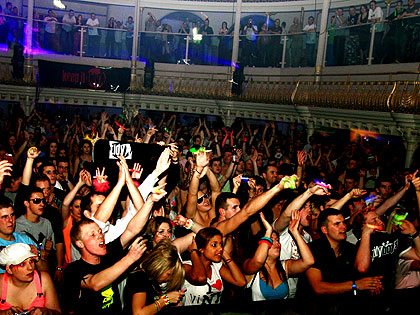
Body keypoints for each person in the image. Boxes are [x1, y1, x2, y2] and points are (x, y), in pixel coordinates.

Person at [62, 218, 147, 314]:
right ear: (80, 243)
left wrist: (150, 202)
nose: (100, 236)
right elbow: (94, 283)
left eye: (100, 232)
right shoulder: (73, 270)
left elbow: (132, 230)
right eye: (93, 235)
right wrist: (129, 258)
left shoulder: (108, 254)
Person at [297, 208, 383, 299]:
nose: (343, 227)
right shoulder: (313, 249)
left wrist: (372, 285)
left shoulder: (349, 248)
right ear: (324, 230)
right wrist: (355, 285)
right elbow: (318, 287)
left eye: (343, 222)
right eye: (337, 224)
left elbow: (362, 269)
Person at [243, 211, 314, 301]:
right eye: (271, 240)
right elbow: (258, 261)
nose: (277, 243)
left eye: (277, 240)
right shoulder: (250, 266)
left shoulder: (284, 266)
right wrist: (268, 232)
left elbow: (309, 261)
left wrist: (295, 232)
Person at [182, 227, 246, 305]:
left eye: (221, 244)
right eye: (214, 245)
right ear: (201, 249)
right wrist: (193, 252)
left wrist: (225, 254)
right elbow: (200, 278)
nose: (220, 248)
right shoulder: (186, 266)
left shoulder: (217, 266)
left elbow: (241, 282)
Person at [124, 239, 185, 314]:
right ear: (159, 267)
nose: (168, 279)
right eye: (168, 274)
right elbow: (138, 313)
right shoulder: (139, 277)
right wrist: (165, 300)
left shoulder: (153, 280)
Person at [0, 243, 61, 314]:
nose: (30, 268)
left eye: (31, 261)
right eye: (22, 264)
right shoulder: (1, 283)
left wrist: (47, 312)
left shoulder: (43, 280)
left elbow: (57, 312)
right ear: (9, 269)